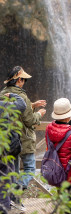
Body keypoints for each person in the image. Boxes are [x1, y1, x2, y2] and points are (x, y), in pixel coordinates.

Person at [1, 66, 46, 196]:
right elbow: (30, 120)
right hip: (24, 139)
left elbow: (13, 109)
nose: (24, 82)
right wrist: (39, 114)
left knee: (13, 172)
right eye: (24, 80)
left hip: (8, 139)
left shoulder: (3, 94)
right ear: (19, 80)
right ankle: (17, 192)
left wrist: (32, 105)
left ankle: (12, 200)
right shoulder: (22, 96)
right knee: (30, 169)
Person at [0, 90, 26, 214]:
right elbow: (22, 104)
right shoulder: (3, 106)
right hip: (4, 149)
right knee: (5, 181)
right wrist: (12, 95)